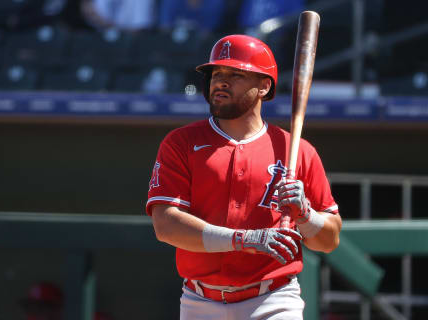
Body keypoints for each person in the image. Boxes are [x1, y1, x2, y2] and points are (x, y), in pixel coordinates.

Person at [146, 34, 342, 319]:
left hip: (274, 299)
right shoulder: (181, 142)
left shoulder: (297, 150)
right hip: (200, 300)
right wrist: (244, 239)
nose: (220, 81)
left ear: (264, 86)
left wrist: (306, 214)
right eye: (216, 73)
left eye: (235, 74)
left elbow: (329, 241)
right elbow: (165, 225)